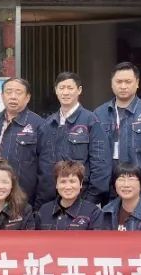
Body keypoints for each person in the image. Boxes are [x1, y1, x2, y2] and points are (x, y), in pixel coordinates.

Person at [38, 72, 110, 206]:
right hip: (51, 201)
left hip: (83, 199)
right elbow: (42, 166)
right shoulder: (47, 124)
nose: (65, 92)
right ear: (56, 90)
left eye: (70, 88)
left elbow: (101, 164)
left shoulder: (91, 121)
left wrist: (90, 200)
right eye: (61, 88)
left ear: (79, 90)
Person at [94, 62, 141, 191]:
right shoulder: (99, 113)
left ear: (137, 83)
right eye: (119, 82)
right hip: (107, 187)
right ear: (112, 84)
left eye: (128, 82)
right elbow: (93, 154)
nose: (123, 86)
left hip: (139, 186)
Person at [0, 78, 45, 206]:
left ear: (27, 98)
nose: (13, 96)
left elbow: (45, 169)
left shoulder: (39, 125)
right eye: (8, 92)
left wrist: (40, 203)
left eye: (18, 92)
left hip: (23, 198)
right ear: (2, 96)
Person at [33, 160, 102, 230]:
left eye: (72, 181)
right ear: (56, 184)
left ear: (81, 184)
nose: (68, 187)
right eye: (63, 182)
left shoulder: (93, 213)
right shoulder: (44, 210)